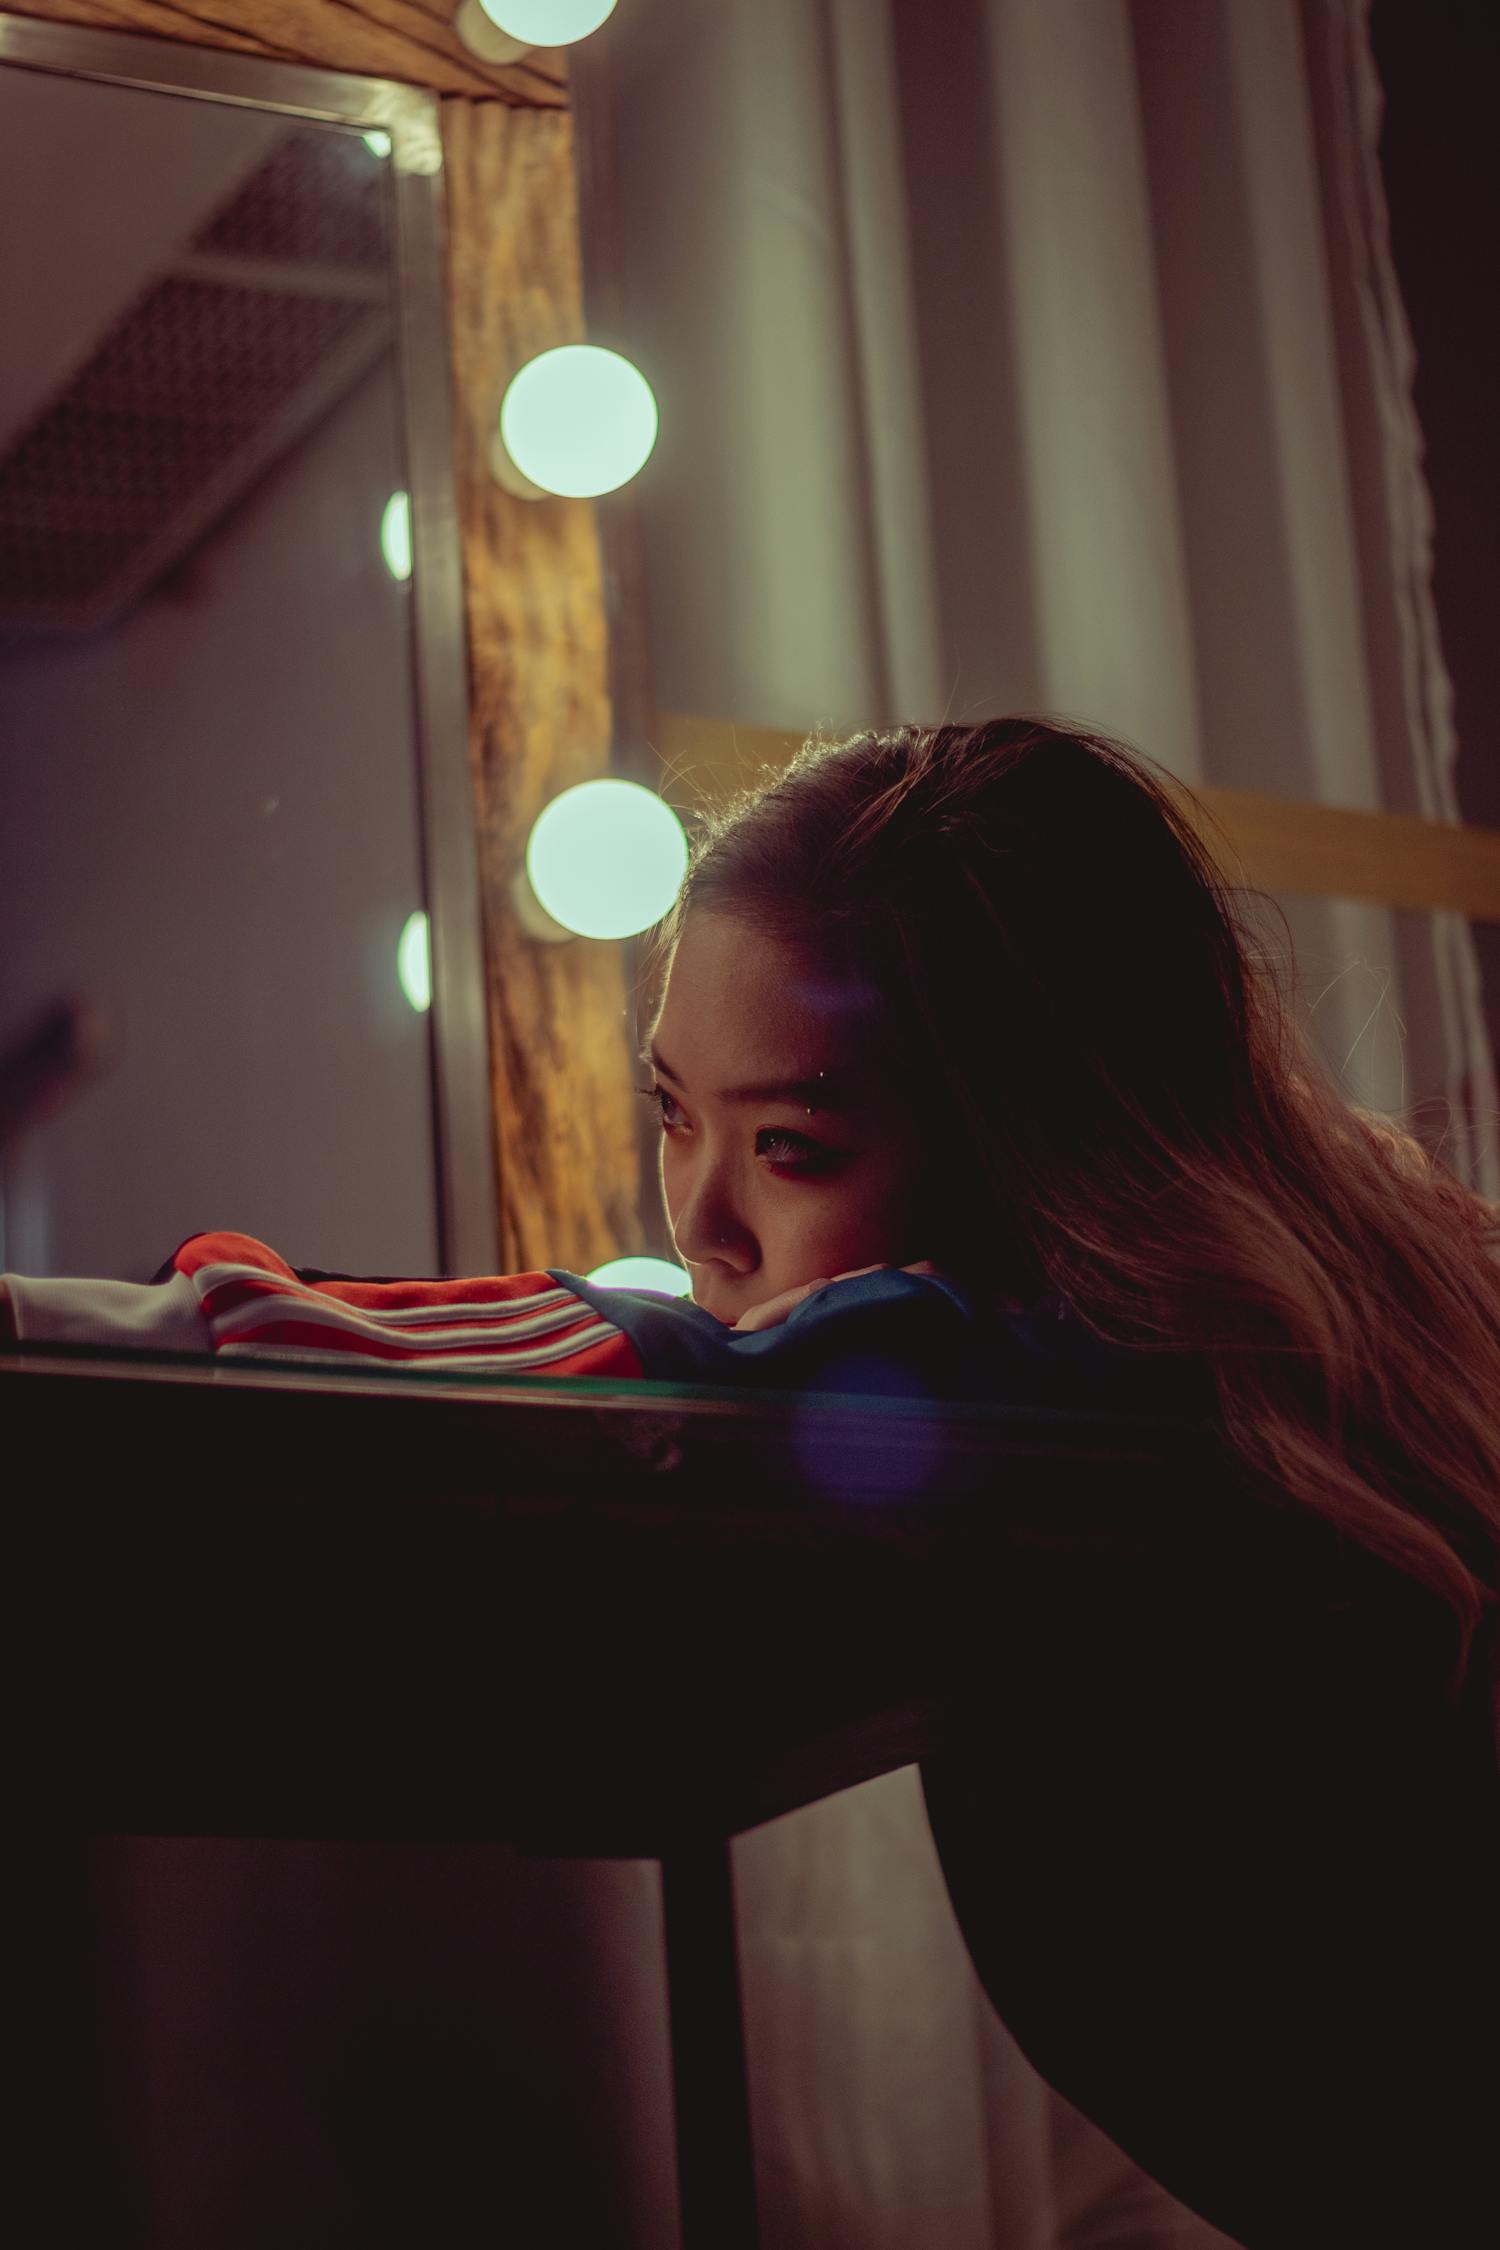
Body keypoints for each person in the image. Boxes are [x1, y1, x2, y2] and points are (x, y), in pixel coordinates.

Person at [6, 714, 1500, 2243]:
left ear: (1035, 1149)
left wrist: (54, 1340)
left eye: (790, 1145)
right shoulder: (1319, 1349)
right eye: (673, 1112)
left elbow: (633, 1371)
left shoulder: (1081, 1388)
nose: (702, 1219)